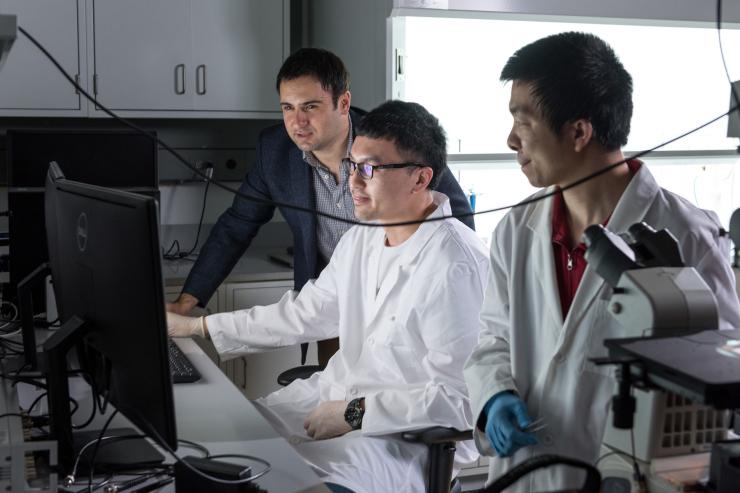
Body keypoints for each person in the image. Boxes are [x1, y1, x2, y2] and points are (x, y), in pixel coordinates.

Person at [463, 31, 740, 492]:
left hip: (627, 476)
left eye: (523, 121)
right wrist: (494, 396)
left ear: (578, 131)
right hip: (525, 473)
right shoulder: (517, 229)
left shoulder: (687, 236)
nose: (511, 139)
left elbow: (720, 377)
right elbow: (494, 337)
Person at [167, 100, 489, 493]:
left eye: (369, 169)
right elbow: (303, 315)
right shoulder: (361, 239)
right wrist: (196, 325)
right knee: (211, 447)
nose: (352, 181)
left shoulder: (456, 264)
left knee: (279, 484)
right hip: (329, 399)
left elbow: (463, 402)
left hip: (400, 444)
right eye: (353, 166)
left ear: (420, 179)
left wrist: (356, 414)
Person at [167, 48, 474, 366]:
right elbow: (237, 225)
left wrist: (431, 279)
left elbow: (457, 218)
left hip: (404, 301)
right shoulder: (276, 152)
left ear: (343, 103)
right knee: (340, 388)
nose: (297, 122)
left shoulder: (388, 143)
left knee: (384, 394)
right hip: (334, 299)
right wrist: (188, 307)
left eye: (310, 107)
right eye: (287, 107)